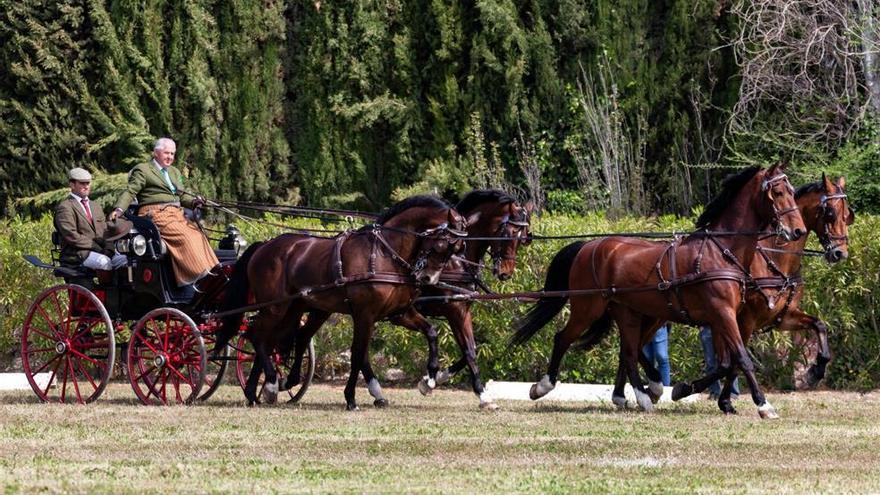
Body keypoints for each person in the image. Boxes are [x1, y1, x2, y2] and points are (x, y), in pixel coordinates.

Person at [110, 137, 220, 288]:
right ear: (156, 153)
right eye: (166, 153)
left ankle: (213, 273)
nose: (170, 157)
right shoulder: (143, 169)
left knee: (198, 234)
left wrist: (195, 201)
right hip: (155, 214)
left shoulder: (174, 172)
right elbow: (130, 191)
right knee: (185, 236)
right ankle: (197, 276)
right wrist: (119, 209)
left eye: (173, 154)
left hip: (176, 214)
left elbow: (182, 195)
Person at [54, 168, 127, 271]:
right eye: (82, 183)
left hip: (101, 252)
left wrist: (109, 249)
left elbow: (105, 231)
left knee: (125, 260)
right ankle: (107, 287)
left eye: (88, 183)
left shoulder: (96, 206)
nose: (86, 186)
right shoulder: (65, 207)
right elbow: (71, 236)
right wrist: (97, 248)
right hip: (77, 254)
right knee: (104, 262)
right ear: (72, 185)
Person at [699, 326, 740, 399]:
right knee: (710, 363)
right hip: (707, 328)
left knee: (730, 362)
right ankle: (715, 392)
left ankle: (733, 392)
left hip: (725, 328)